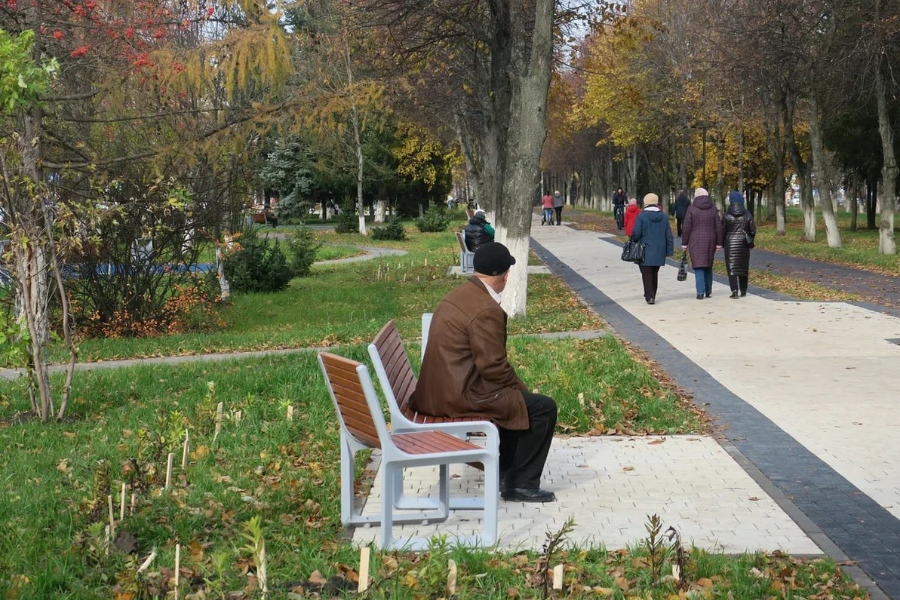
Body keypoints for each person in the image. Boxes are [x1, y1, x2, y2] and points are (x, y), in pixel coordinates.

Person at [411, 242, 558, 503]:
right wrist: (520, 388)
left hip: (438, 391)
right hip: (458, 395)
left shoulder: (460, 294)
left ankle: (505, 473)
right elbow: (492, 367)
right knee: (541, 408)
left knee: (516, 402)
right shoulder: (487, 309)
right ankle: (520, 485)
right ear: (504, 276)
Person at [630, 193, 674, 305]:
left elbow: (636, 233)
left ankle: (649, 296)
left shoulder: (641, 216)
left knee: (646, 273)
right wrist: (669, 250)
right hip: (659, 250)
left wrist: (633, 240)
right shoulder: (663, 217)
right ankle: (652, 294)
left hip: (645, 249)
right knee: (654, 272)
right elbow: (668, 235)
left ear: (645, 202)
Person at [681, 188, 723, 299]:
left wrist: (684, 243)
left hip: (695, 240)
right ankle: (708, 290)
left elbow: (686, 227)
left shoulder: (691, 209)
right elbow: (718, 227)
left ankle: (700, 292)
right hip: (711, 240)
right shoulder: (713, 209)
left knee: (698, 265)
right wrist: (719, 243)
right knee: (708, 265)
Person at [722, 190, 757, 298]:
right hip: (743, 244)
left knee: (732, 268)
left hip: (730, 244)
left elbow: (722, 231)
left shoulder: (726, 215)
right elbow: (753, 230)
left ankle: (734, 291)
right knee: (743, 267)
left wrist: (723, 242)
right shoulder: (747, 214)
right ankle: (743, 290)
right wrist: (750, 237)